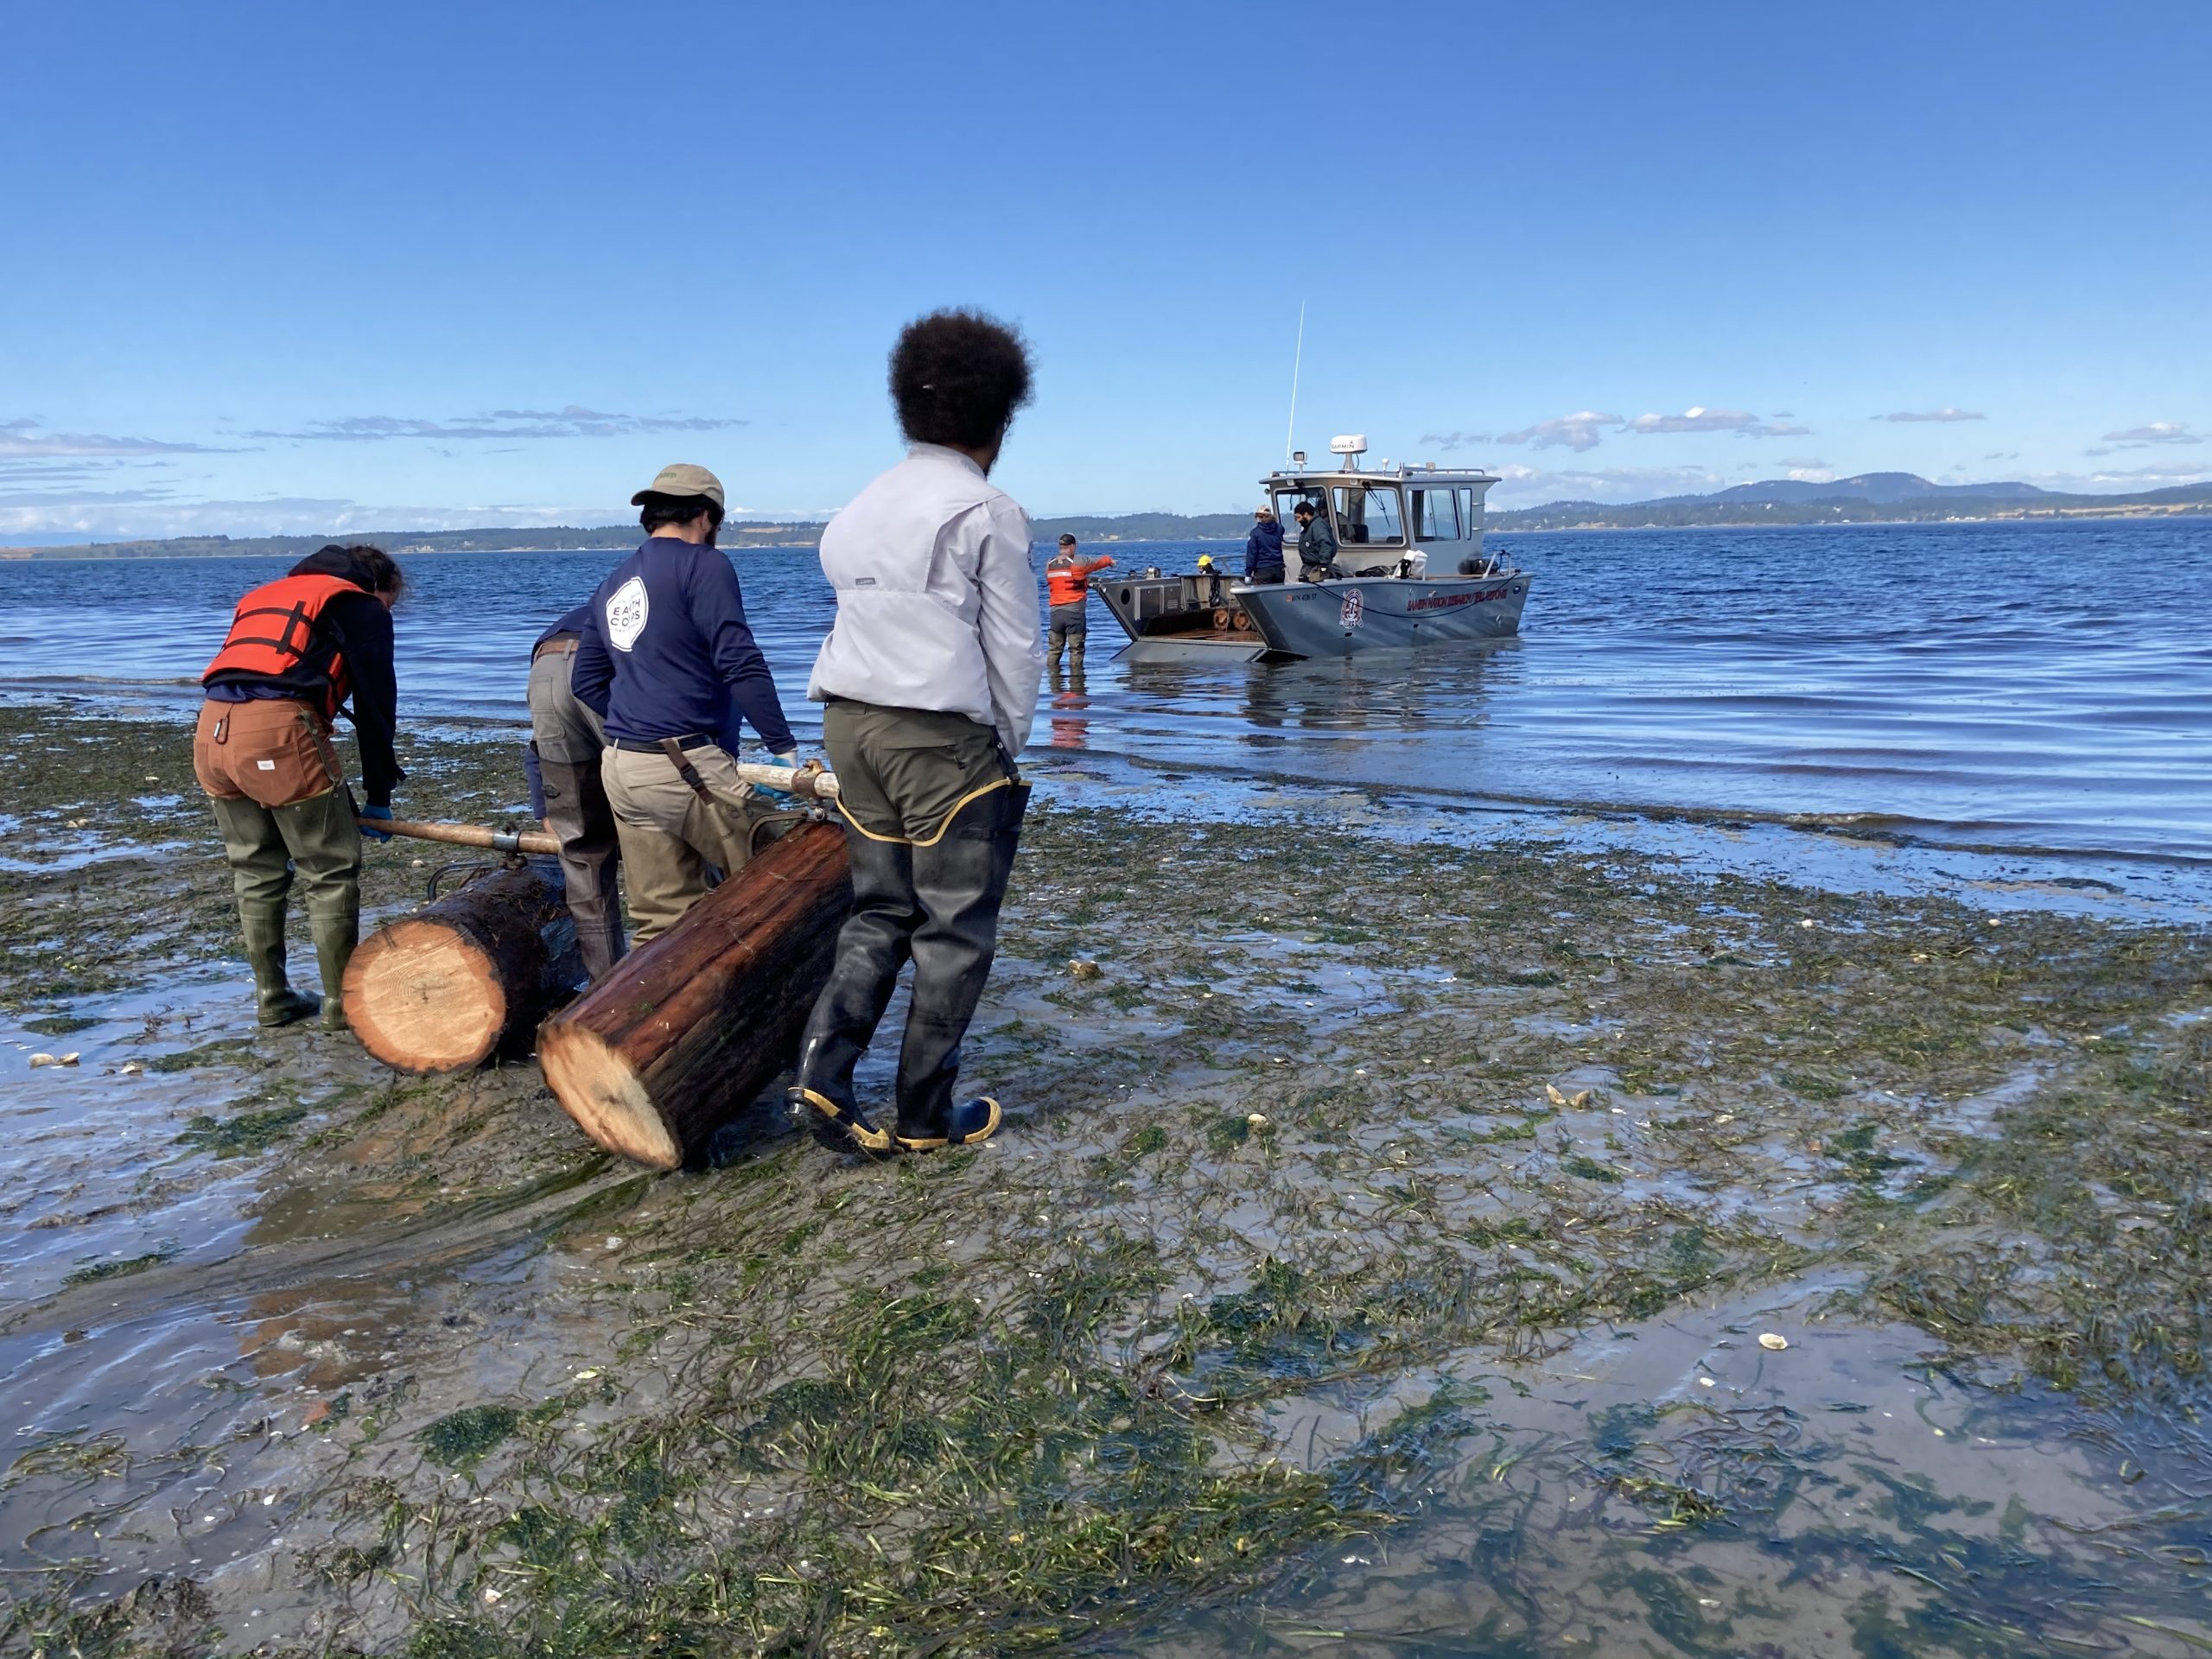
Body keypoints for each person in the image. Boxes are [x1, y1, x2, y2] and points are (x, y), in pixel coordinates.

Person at [794, 308, 1043, 1156]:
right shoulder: (985, 509)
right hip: (941, 739)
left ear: (908, 406)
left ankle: (822, 1082)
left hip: (847, 724)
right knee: (954, 931)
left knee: (879, 912)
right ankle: (926, 1118)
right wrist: (1004, 749)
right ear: (1000, 417)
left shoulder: (857, 510)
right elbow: (1013, 647)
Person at [571, 464, 802, 944]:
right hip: (683, 766)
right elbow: (740, 659)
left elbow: (586, 681)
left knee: (660, 922)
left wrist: (639, 713)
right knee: (793, 876)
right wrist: (782, 745)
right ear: (706, 517)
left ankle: (638, 1013)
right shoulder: (705, 564)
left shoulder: (613, 582)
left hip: (622, 765)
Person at [193, 543, 404, 1029]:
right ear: (379, 586)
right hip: (277, 731)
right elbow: (376, 707)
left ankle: (273, 997)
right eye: (392, 602)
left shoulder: (267, 596)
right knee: (328, 872)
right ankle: (342, 1006)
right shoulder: (360, 605)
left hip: (212, 730)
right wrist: (379, 796)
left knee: (256, 871)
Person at [525, 605, 625, 980]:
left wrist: (549, 812)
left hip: (546, 668)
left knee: (584, 852)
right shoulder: (677, 603)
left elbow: (536, 747)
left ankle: (607, 986)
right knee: (668, 810)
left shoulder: (605, 603)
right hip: (605, 666)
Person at [1044, 533, 1113, 674]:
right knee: (1076, 650)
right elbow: (1097, 563)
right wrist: (1110, 561)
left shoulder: (1049, 564)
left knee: (1054, 650)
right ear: (1073, 546)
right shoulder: (1078, 562)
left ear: (1060, 547)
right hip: (1074, 613)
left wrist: (1083, 579)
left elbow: (1061, 582)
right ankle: (1077, 685)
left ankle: (1053, 682)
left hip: (1055, 614)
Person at [1294, 499, 1338, 581]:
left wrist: (1323, 566)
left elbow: (1325, 543)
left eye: (1298, 517)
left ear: (1306, 514)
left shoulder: (1318, 525)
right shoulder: (1309, 527)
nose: (1297, 520)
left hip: (1318, 567)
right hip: (1309, 567)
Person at [1244, 505, 1286, 583]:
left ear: (1259, 517)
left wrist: (1248, 573)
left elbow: (1251, 554)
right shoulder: (1279, 529)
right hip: (1279, 569)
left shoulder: (1255, 533)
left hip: (1263, 570)